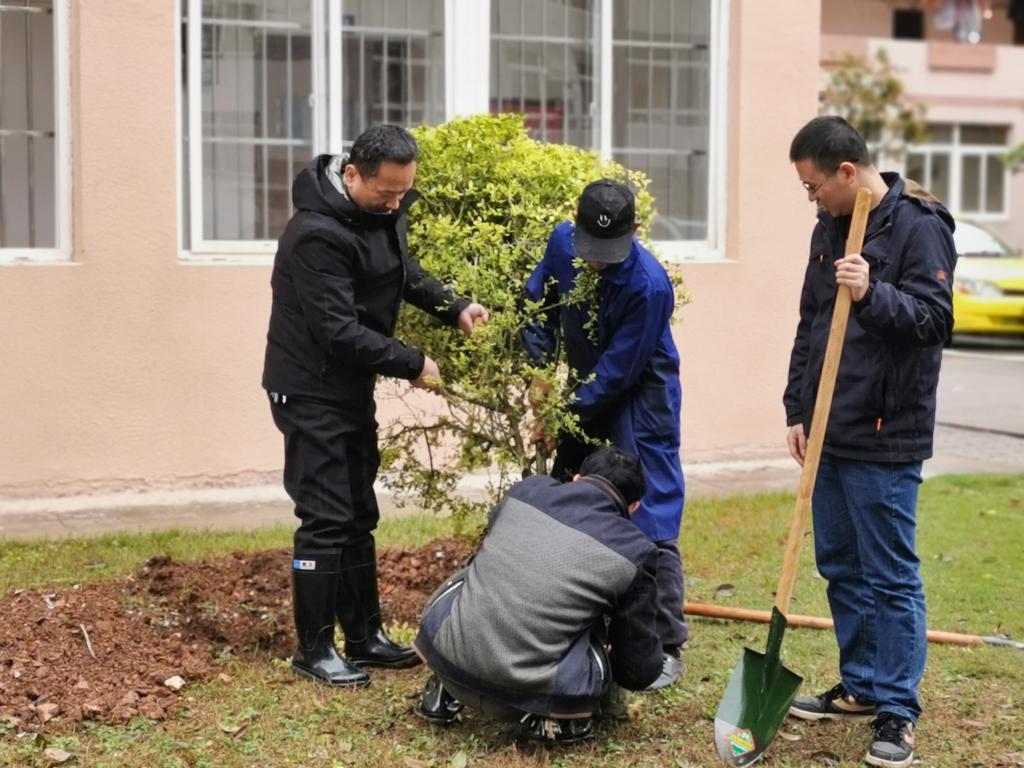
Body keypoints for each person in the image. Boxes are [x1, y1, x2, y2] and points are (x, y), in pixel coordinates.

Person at [262, 125, 488, 688]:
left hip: (347, 388)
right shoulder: (315, 235)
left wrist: (454, 306)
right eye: (386, 193)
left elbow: (400, 272)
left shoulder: (380, 211)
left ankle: (365, 637)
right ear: (352, 174)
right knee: (325, 518)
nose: (395, 204)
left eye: (403, 192)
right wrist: (414, 362)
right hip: (308, 388)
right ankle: (315, 649)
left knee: (359, 512)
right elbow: (338, 331)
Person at [784, 116, 956, 768]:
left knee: (890, 575)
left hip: (887, 432)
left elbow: (935, 321)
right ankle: (860, 685)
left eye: (813, 185)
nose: (811, 197)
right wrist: (797, 408)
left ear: (847, 172)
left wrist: (871, 292)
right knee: (840, 565)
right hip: (830, 425)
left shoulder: (920, 226)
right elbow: (811, 322)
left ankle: (897, 710)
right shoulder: (828, 227)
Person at [522, 179, 686, 690]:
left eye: (608, 252)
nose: (595, 261)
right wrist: (539, 372)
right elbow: (539, 306)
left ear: (635, 230)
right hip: (585, 385)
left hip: (641, 396)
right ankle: (576, 617)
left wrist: (560, 417)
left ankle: (665, 642)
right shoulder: (561, 242)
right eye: (590, 249)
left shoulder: (648, 286)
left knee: (649, 511)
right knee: (570, 489)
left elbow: (617, 373)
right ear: (575, 225)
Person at [413, 446, 662, 743]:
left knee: (477, 570)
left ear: (577, 478)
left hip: (447, 660)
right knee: (598, 617)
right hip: (534, 696)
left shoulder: (527, 490)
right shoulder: (635, 551)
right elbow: (638, 671)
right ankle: (558, 722)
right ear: (633, 507)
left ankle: (443, 689)